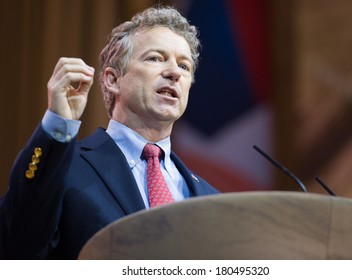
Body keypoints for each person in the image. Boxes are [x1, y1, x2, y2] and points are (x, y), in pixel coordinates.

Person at [0, 5, 219, 260]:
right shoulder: (63, 167)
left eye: (184, 66)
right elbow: (15, 243)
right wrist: (58, 124)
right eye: (155, 58)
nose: (174, 73)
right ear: (112, 80)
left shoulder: (210, 198)